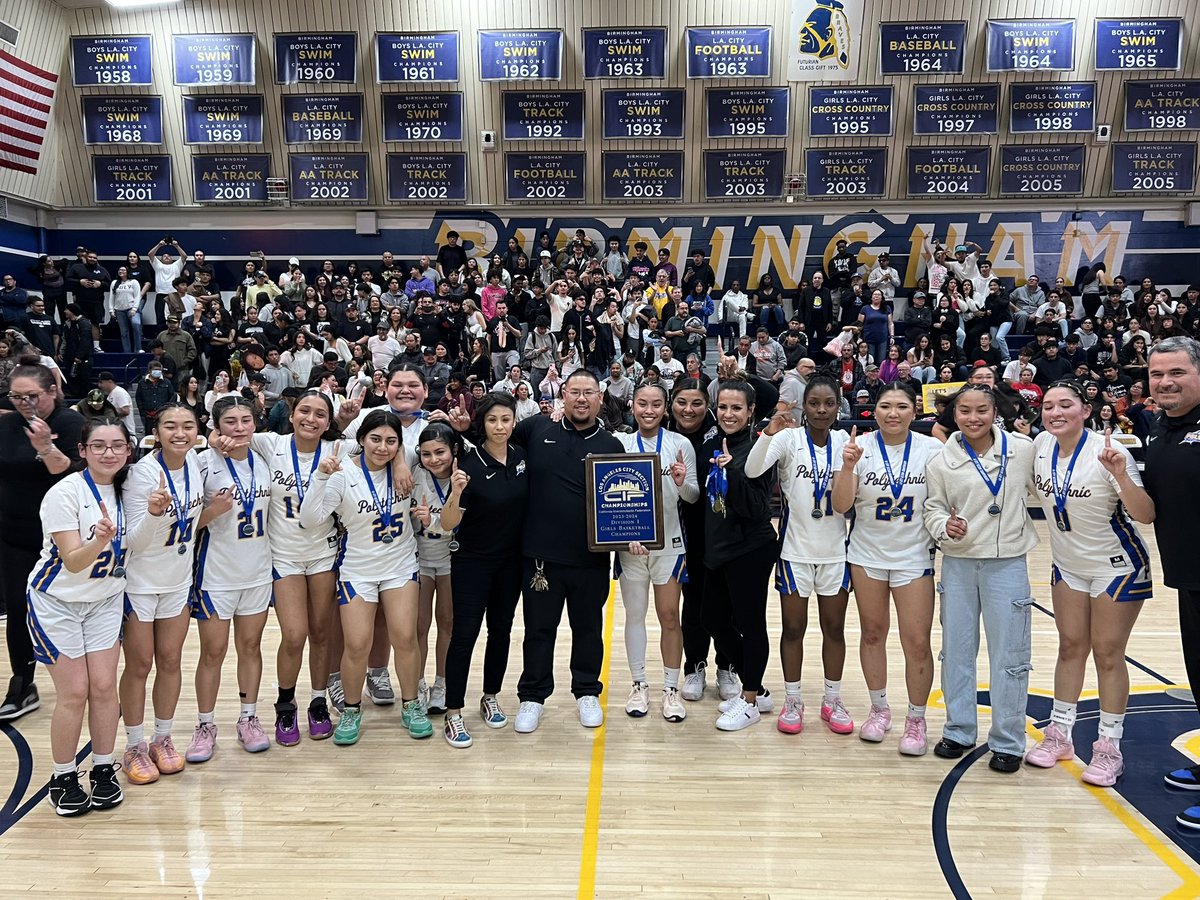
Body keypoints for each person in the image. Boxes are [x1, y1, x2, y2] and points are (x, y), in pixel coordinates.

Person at [1026, 380, 1154, 786]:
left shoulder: (1109, 452)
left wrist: (1121, 473)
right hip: (1067, 566)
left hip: (1116, 566)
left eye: (1066, 405)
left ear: (1086, 409)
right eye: (1048, 406)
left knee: (1108, 654)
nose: (1055, 412)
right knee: (1070, 647)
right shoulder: (1040, 447)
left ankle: (1108, 747)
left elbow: (1146, 514)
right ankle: (1060, 733)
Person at [923, 386, 1038, 773]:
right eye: (965, 411)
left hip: (1007, 563)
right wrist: (943, 525)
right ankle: (958, 730)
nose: (974, 418)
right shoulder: (941, 461)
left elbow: (1046, 490)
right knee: (956, 650)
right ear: (954, 415)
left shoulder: (1023, 450)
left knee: (1010, 654)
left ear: (995, 412)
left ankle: (1008, 740)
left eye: (982, 411)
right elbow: (932, 508)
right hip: (958, 563)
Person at [299, 411, 429, 744]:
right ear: (361, 440)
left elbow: (447, 448)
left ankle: (412, 705)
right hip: (357, 568)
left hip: (400, 565)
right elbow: (310, 520)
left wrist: (400, 460)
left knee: (405, 637)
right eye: (375, 439)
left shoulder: (408, 466)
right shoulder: (343, 474)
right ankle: (352, 710)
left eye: (391, 442)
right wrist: (320, 479)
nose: (383, 448)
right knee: (356, 645)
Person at [28, 417, 132, 816]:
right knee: (75, 692)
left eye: (117, 445)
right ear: (83, 451)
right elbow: (72, 562)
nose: (109, 453)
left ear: (128, 450)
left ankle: (104, 768)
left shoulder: (131, 489)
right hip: (57, 601)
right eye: (100, 445)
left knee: (105, 687)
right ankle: (63, 775)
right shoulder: (65, 493)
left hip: (105, 599)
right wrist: (99, 540)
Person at [510, 370, 624, 733]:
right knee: (539, 629)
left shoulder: (611, 445)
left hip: (590, 558)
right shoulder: (535, 430)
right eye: (574, 391)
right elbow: (494, 442)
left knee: (588, 628)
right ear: (562, 395)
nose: (581, 399)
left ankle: (587, 690)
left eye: (588, 393)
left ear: (599, 399)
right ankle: (532, 695)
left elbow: (623, 508)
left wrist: (633, 533)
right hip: (540, 557)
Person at [831, 382, 941, 755]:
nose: (892, 413)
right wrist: (846, 467)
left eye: (901, 406)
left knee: (916, 643)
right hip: (866, 555)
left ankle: (916, 719)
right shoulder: (857, 449)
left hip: (913, 557)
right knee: (872, 634)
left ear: (915, 411)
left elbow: (944, 501)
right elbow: (841, 504)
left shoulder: (932, 449)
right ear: (872, 411)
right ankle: (879, 710)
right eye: (885, 406)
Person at [745, 375, 855, 736]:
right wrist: (769, 431)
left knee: (834, 629)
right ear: (803, 407)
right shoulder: (789, 439)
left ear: (838, 407)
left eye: (829, 403)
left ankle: (832, 699)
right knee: (793, 629)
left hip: (836, 554)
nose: (821, 410)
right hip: (794, 552)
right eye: (814, 403)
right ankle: (793, 700)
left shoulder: (846, 441)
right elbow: (752, 469)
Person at [235, 392, 344, 744]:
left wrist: (402, 465)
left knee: (322, 632)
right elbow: (234, 433)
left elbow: (384, 441)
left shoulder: (339, 450)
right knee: (294, 635)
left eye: (320, 414)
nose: (311, 419)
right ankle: (285, 704)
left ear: (329, 422)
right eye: (305, 411)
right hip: (284, 554)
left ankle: (317, 702)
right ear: (292, 414)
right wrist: (216, 436)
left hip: (324, 553)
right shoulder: (272, 443)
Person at [185, 397, 275, 763]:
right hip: (216, 574)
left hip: (257, 571)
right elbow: (183, 522)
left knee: (251, 648)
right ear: (217, 426)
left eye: (245, 420)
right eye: (230, 422)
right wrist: (212, 511)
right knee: (213, 653)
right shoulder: (203, 462)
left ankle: (249, 718)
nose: (239, 428)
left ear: (256, 423)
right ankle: (205, 725)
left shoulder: (268, 457)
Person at [118, 405, 204, 785]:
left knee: (170, 661)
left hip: (177, 581)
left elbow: (188, 520)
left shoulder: (197, 466)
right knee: (139, 665)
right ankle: (134, 745)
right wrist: (154, 513)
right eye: (171, 426)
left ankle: (163, 738)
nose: (180, 433)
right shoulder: (141, 474)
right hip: (140, 583)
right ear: (156, 431)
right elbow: (131, 542)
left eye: (188, 426)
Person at [439, 394, 529, 748]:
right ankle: (453, 711)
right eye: (493, 420)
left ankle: (490, 694)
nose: (500, 427)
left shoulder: (522, 456)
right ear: (483, 423)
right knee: (465, 636)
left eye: (506, 419)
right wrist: (456, 492)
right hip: (472, 562)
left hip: (511, 562)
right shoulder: (469, 464)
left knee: (501, 631)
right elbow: (448, 524)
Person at [0, 361, 84, 722]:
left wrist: (46, 446)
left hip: (62, 537)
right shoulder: (5, 425)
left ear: (52, 391)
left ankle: (90, 681)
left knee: (77, 608)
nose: (23, 402)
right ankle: (22, 684)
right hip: (14, 533)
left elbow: (70, 475)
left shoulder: (70, 424)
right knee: (18, 608)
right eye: (16, 396)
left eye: (31, 395)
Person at [1142, 339, 1200, 825]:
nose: (1166, 382)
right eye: (1157, 374)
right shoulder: (1162, 430)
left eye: (1177, 372)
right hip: (1188, 575)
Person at [615, 384, 698, 722]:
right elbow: (607, 496)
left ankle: (670, 688)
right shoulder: (619, 443)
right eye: (642, 403)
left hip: (670, 547)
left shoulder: (680, 444)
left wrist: (680, 482)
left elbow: (692, 497)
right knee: (634, 616)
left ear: (665, 409)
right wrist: (626, 533)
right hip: (630, 549)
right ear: (632, 405)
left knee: (668, 617)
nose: (648, 410)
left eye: (656, 404)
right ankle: (638, 685)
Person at [700, 381, 779, 730]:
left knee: (750, 623)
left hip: (750, 548)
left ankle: (749, 701)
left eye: (736, 408)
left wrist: (733, 471)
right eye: (723, 407)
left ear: (750, 412)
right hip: (718, 548)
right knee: (713, 619)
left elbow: (758, 509)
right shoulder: (714, 442)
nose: (728, 414)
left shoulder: (759, 448)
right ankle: (756, 685)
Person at [667, 379, 739, 703]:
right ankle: (694, 667)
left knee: (726, 601)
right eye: (682, 402)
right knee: (693, 603)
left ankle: (728, 666)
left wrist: (738, 378)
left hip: (724, 532)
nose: (688, 409)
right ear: (672, 404)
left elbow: (763, 399)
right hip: (687, 533)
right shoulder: (665, 435)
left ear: (707, 405)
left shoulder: (722, 430)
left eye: (696, 402)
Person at [412, 425, 462, 715]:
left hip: (450, 557)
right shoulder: (414, 471)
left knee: (447, 623)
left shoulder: (463, 477)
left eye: (440, 451)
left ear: (454, 450)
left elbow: (448, 523)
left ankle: (441, 683)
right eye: (427, 453)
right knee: (418, 626)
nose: (433, 459)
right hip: (418, 555)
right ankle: (416, 683)